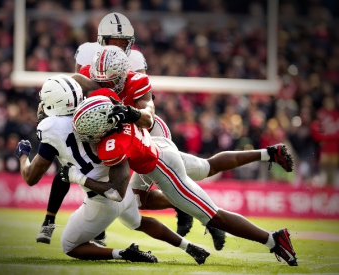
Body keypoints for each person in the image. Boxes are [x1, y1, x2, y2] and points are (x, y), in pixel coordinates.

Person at [66, 95, 298, 266]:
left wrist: (78, 177)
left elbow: (117, 191)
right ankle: (269, 153)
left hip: (161, 168)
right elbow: (140, 113)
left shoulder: (113, 145)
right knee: (207, 167)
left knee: (213, 216)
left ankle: (273, 240)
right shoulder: (117, 110)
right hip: (161, 147)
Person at [37, 12, 197, 248]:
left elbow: (143, 102)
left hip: (130, 125)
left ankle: (183, 202)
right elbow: (73, 87)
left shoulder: (136, 63)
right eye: (114, 41)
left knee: (145, 192)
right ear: (102, 40)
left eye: (124, 43)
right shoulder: (86, 58)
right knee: (68, 160)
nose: (119, 47)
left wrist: (122, 110)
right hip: (103, 125)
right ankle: (50, 220)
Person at [18, 75, 210, 264]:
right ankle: (190, 247)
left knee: (70, 245)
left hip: (103, 197)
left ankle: (124, 253)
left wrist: (24, 155)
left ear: (54, 102)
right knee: (138, 223)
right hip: (122, 187)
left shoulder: (51, 127)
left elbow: (31, 177)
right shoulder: (93, 110)